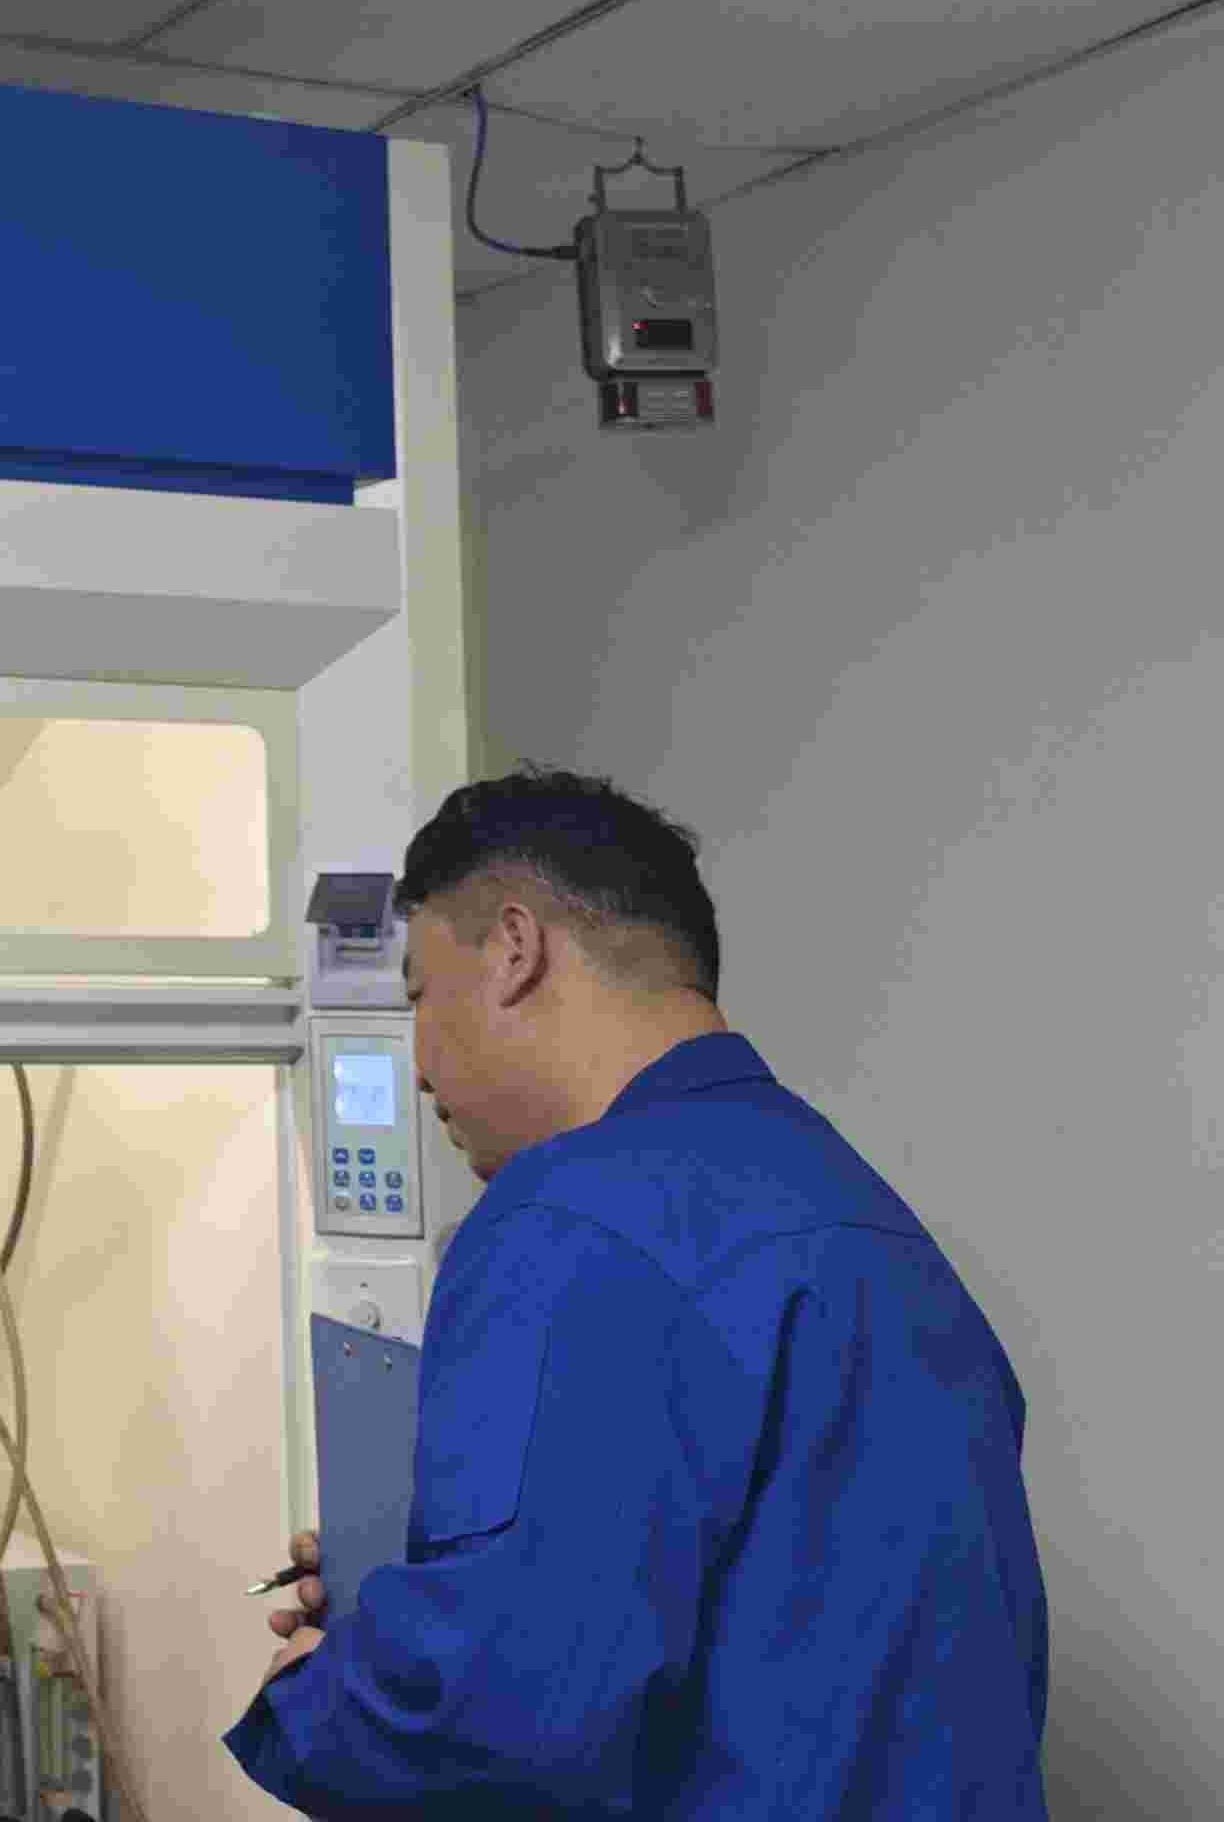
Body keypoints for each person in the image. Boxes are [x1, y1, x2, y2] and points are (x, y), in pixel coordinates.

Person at [232, 768, 1049, 1817]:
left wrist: (320, 1695)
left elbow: (501, 1713)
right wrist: (412, 1595)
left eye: (419, 996)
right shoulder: (866, 1221)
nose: (420, 1067)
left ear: (514, 949)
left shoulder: (570, 1218)